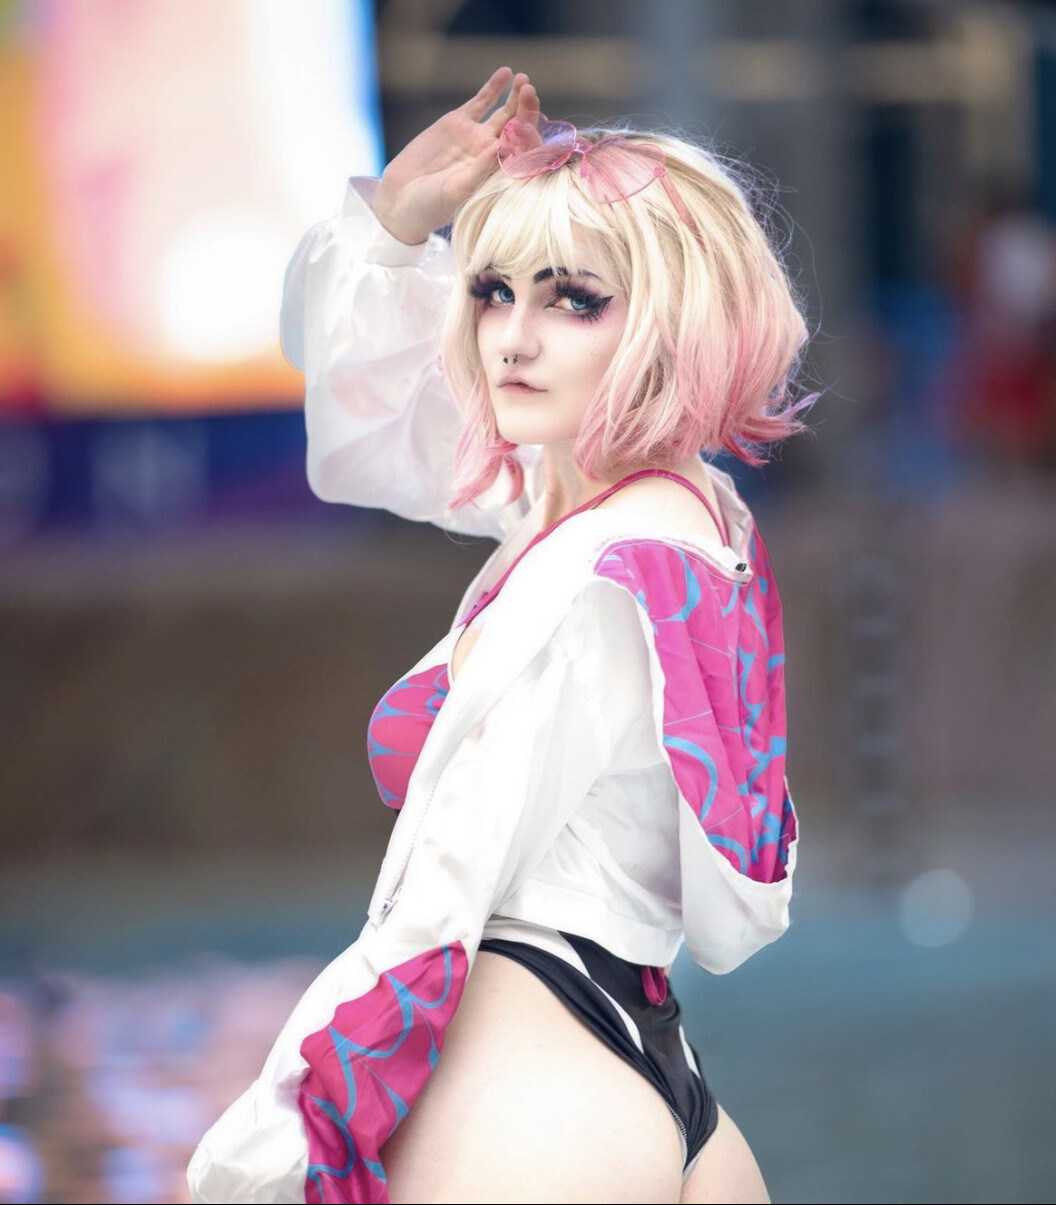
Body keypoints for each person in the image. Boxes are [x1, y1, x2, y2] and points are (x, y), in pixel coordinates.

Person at [188, 66, 815, 1205]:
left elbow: (439, 892)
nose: (513, 338)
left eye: (574, 300)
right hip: (644, 1068)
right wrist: (395, 225)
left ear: (670, 321)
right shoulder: (671, 515)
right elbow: (387, 425)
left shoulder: (596, 573)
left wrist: (281, 1136)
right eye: (491, 291)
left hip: (530, 1084)